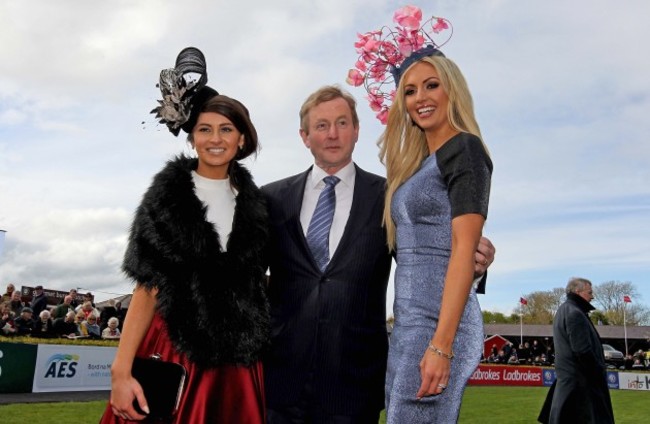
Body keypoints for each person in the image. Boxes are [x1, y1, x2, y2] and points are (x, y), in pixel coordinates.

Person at [262, 83, 494, 421]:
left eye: (342, 123)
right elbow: (244, 275)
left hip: (355, 385)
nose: (332, 134)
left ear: (356, 130)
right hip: (281, 380)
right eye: (321, 126)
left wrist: (474, 265)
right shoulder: (270, 198)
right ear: (304, 135)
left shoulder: (391, 197)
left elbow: (424, 262)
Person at [100, 47, 269, 423]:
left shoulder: (258, 206)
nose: (215, 139)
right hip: (174, 349)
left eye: (226, 129)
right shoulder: (168, 195)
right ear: (191, 138)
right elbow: (147, 288)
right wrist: (121, 371)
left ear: (242, 139)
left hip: (238, 361)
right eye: (204, 129)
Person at [349, 7, 493, 422]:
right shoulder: (413, 168)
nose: (420, 98)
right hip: (409, 322)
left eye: (431, 85)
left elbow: (463, 250)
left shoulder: (464, 148)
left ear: (452, 91)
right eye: (409, 91)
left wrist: (441, 344)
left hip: (438, 327)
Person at [538, 278, 615, 423]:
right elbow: (582, 351)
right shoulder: (575, 313)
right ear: (578, 292)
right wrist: (598, 370)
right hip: (580, 387)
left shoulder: (565, 310)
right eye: (590, 292)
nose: (592, 296)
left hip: (572, 384)